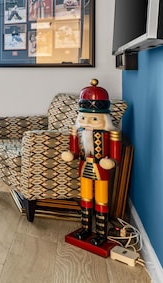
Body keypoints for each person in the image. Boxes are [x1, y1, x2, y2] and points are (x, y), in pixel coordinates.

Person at [62, 79, 121, 247]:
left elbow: (115, 155)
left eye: (93, 118)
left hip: (100, 170)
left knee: (101, 201)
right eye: (84, 117)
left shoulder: (111, 134)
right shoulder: (77, 131)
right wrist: (70, 154)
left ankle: (101, 233)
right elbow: (73, 149)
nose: (87, 122)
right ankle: (85, 228)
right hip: (84, 167)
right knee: (86, 198)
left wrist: (112, 162)